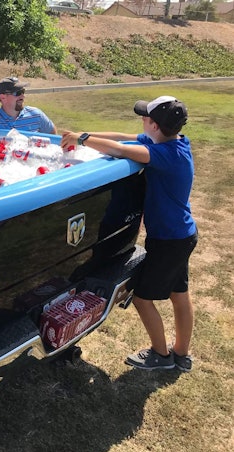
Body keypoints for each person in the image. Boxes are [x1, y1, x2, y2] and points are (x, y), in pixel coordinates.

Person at [60, 95, 198, 372]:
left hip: (168, 240)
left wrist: (83, 139)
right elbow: (122, 138)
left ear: (155, 126)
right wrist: (82, 134)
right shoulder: (176, 142)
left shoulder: (162, 154)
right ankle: (182, 353)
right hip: (183, 234)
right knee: (179, 293)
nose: (142, 120)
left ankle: (161, 354)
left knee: (142, 298)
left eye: (145, 117)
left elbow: (121, 150)